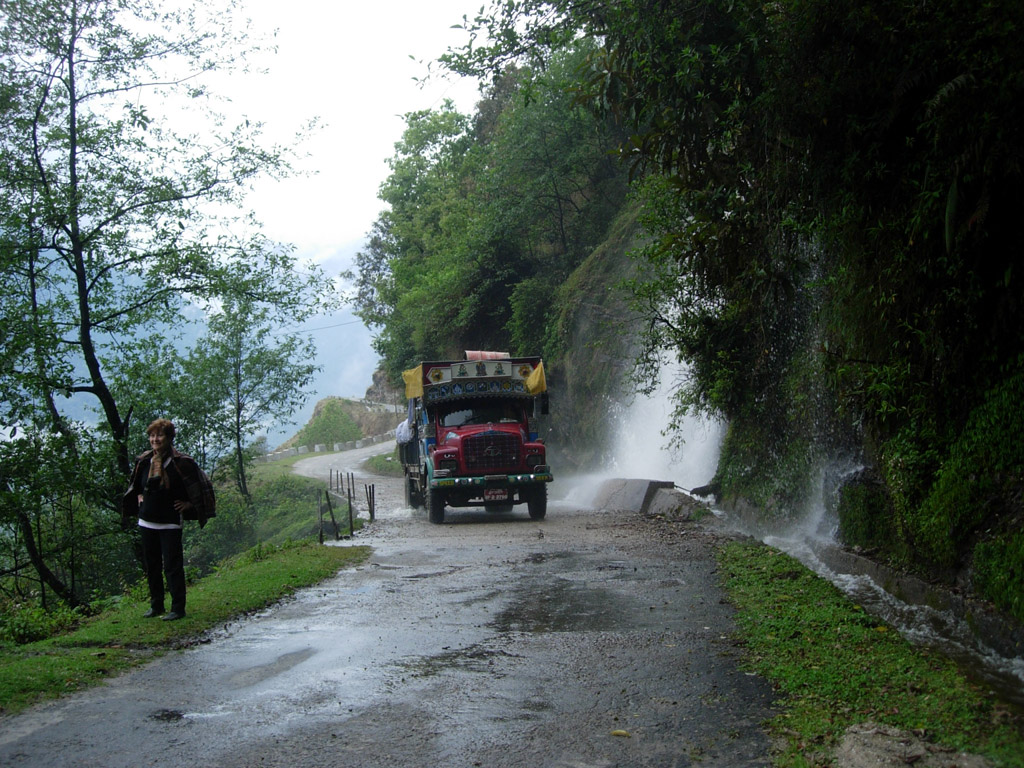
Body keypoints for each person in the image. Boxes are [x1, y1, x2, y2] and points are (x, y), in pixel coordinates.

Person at [122, 419, 212, 621]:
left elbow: (200, 487)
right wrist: (138, 496)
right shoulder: (144, 461)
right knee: (151, 565)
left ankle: (177, 608)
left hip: (170, 522)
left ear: (169, 438)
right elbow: (136, 485)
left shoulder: (182, 463)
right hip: (146, 521)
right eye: (152, 436)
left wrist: (189, 505)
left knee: (172, 566)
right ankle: (156, 605)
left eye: (159, 435)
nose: (155, 439)